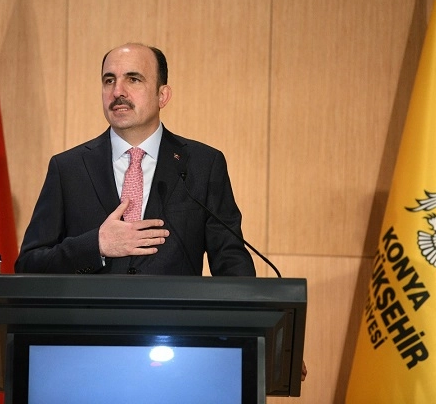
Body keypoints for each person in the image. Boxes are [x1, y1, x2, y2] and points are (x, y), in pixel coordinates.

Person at [14, 43, 255, 276]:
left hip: (173, 306)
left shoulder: (203, 165)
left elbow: (232, 264)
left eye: (133, 79)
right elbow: (29, 265)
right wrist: (96, 245)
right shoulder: (69, 168)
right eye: (109, 80)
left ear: (162, 95)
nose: (117, 91)